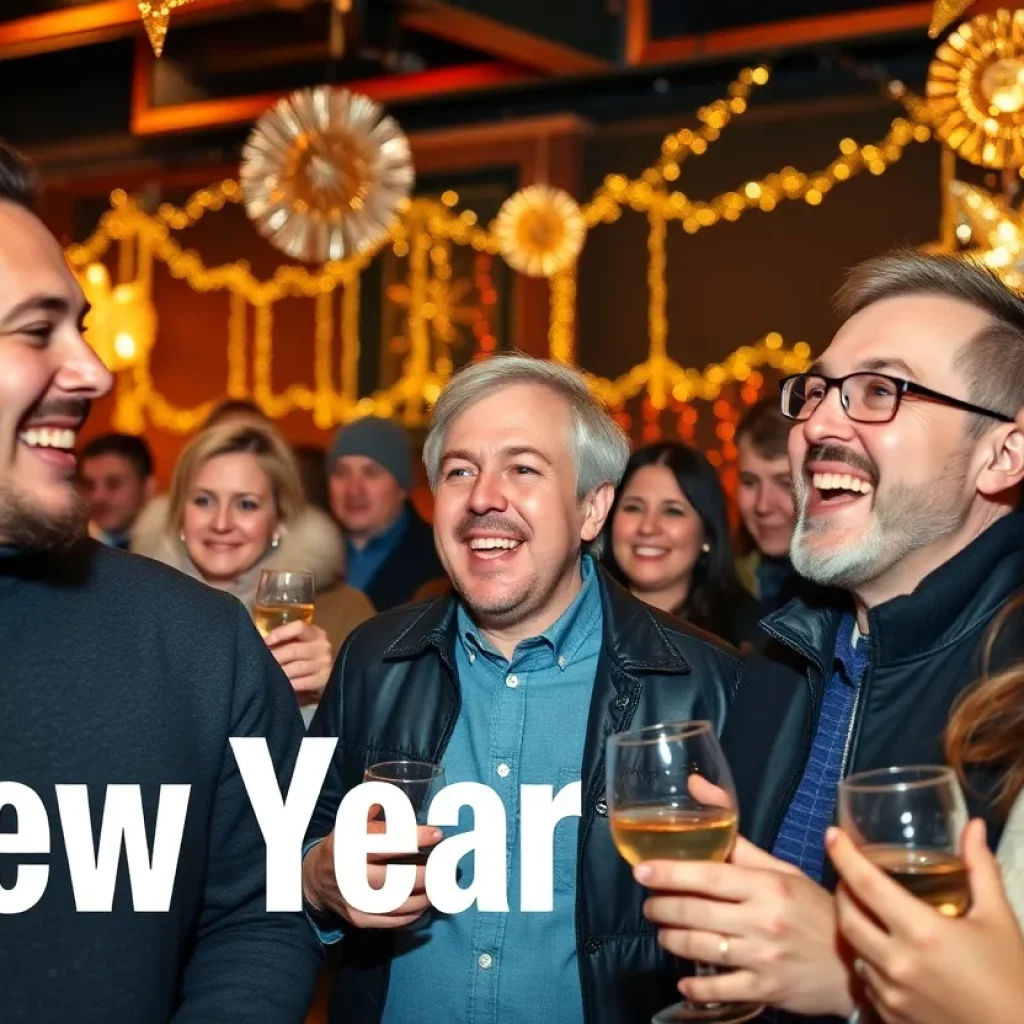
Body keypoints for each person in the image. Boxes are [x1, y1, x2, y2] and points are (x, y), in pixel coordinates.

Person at [634, 249, 1024, 1022]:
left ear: (1003, 454)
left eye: (880, 391)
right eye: (814, 393)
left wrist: (852, 982)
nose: (814, 423)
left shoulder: (1010, 696)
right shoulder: (784, 660)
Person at [300, 353, 748, 1024]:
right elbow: (298, 839)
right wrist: (318, 877)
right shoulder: (374, 659)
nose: (484, 496)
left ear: (592, 508)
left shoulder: (706, 686)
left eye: (523, 468)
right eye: (460, 470)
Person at [0, 140, 323, 1020]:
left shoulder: (200, 647)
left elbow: (264, 910)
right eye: (35, 332)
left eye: (83, 328)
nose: (96, 374)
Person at [132, 420, 374, 724]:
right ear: (179, 512)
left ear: (280, 520)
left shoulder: (343, 614)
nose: (221, 523)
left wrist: (331, 693)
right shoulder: (134, 607)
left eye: (246, 504)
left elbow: (379, 751)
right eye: (204, 500)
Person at [601, 441, 758, 647]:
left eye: (673, 511)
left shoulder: (749, 643)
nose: (648, 527)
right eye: (633, 508)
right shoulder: (574, 624)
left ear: (707, 537)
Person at [325, 415, 445, 610]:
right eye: (341, 473)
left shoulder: (441, 562)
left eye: (371, 473)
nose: (354, 490)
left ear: (402, 487)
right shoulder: (305, 558)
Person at [733, 397, 801, 613]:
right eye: (749, 482)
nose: (763, 505)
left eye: (785, 483)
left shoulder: (855, 595)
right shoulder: (723, 585)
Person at [77, 432, 156, 549]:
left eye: (114, 484)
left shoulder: (177, 554)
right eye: (89, 485)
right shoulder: (71, 550)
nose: (98, 497)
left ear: (148, 488)